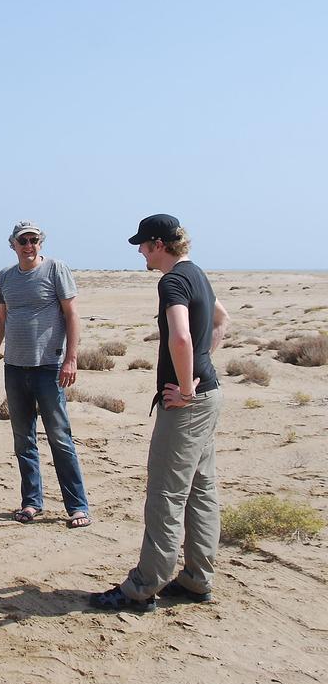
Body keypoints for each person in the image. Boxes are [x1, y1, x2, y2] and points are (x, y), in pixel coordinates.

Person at [89, 214, 229, 612]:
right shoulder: (196, 273)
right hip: (210, 396)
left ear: (158, 245)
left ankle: (143, 587)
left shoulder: (172, 281)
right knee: (201, 490)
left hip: (186, 407)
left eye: (143, 245)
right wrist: (203, 367)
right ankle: (196, 580)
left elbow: (181, 337)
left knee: (165, 495)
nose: (139, 252)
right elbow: (222, 319)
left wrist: (185, 388)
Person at [0, 220, 91, 528]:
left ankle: (78, 506)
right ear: (13, 244)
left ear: (41, 242)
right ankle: (32, 502)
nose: (29, 245)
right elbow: (0, 320)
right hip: (14, 368)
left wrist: (71, 358)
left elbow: (72, 313)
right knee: (23, 439)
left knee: (59, 437)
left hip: (49, 368)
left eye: (34, 239)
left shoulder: (56, 269)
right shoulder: (6, 277)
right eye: (22, 240)